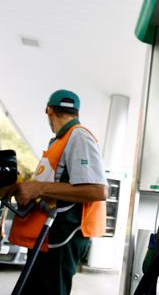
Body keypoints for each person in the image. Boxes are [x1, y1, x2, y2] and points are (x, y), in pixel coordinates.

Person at [14, 89, 108, 295]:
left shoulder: (79, 136)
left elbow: (98, 190)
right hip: (48, 235)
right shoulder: (59, 141)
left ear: (49, 110)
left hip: (63, 236)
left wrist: (38, 188)